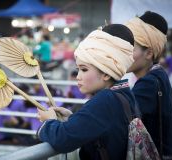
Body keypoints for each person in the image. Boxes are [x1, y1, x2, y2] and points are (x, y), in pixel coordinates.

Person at [37, 24, 138, 159]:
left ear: (106, 73)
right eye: (78, 69)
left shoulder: (105, 100)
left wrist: (48, 122)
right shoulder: (124, 92)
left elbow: (63, 139)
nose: (78, 76)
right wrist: (71, 118)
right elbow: (101, 126)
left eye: (84, 69)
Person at [125, 11, 172, 158]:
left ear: (149, 53)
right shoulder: (158, 75)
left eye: (131, 48)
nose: (124, 53)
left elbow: (119, 117)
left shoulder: (149, 84)